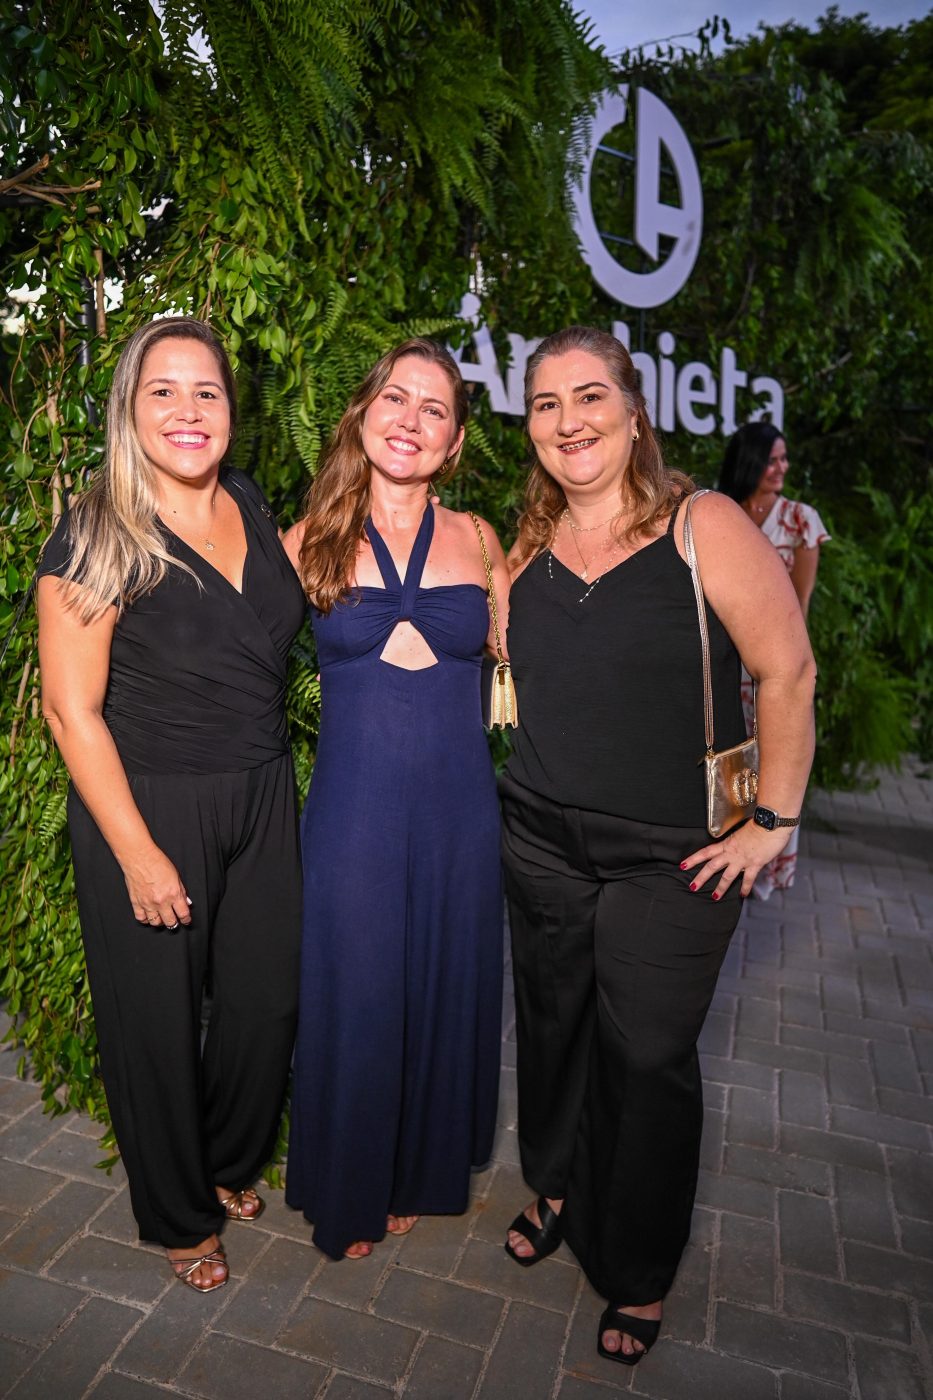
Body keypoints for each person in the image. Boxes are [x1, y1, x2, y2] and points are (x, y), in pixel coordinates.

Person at [499, 326, 816, 1366]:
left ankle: (635, 1266)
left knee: (645, 1054)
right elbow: (508, 670)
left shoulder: (703, 524)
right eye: (546, 403)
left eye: (590, 396)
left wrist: (772, 820)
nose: (569, 420)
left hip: (676, 855)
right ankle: (553, 1180)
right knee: (552, 1029)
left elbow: (787, 671)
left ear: (636, 412)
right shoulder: (529, 547)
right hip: (542, 835)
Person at [37, 317, 305, 1293]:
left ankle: (227, 1157)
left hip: (264, 791)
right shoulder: (96, 527)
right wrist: (139, 853)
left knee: (264, 1006)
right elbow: (71, 713)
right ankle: (178, 1211)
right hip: (146, 803)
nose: (189, 410)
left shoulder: (247, 500)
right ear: (129, 407)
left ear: (231, 412)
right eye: (164, 390)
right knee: (152, 1020)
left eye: (208, 391)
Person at [282, 338, 508, 1260]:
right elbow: (227, 659)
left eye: (434, 409)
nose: (410, 420)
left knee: (441, 982)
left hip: (460, 811)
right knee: (360, 989)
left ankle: (418, 1169)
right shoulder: (303, 542)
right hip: (353, 812)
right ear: (362, 414)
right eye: (396, 400)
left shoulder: (484, 541)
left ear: (454, 443)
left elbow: (536, 664)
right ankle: (352, 1182)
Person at [720, 421, 830, 898]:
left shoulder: (801, 520)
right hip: (723, 662)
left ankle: (767, 863)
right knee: (727, 754)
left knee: (775, 759)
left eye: (785, 458)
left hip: (770, 664)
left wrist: (797, 670)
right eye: (772, 459)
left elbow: (800, 604)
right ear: (750, 462)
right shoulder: (719, 513)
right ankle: (724, 839)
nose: (782, 467)